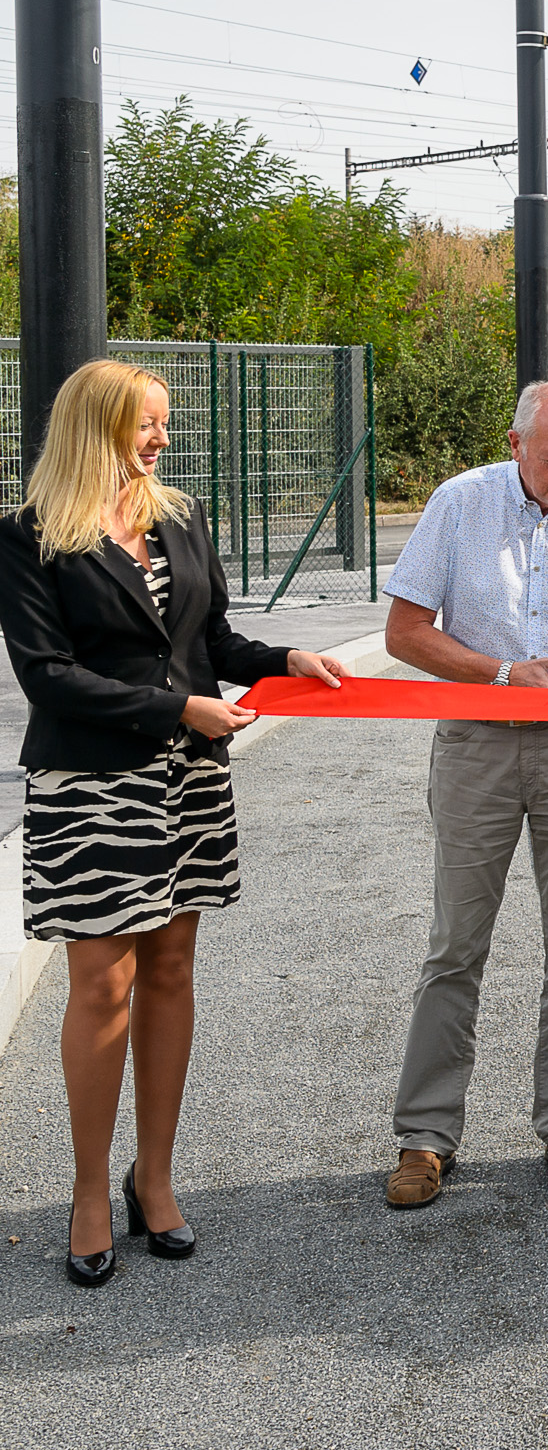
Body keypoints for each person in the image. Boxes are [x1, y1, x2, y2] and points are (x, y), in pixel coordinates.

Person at [0, 360, 348, 1286]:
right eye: (144, 424)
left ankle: (153, 1178)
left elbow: (211, 642)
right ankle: (85, 1194)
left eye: (163, 423)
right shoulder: (29, 536)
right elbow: (48, 676)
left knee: (172, 970)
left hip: (188, 779)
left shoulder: (181, 515)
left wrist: (287, 658)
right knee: (101, 987)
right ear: (95, 428)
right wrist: (177, 710)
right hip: (92, 786)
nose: (160, 439)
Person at [379, 379, 548, 1207]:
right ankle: (425, 1137)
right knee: (456, 945)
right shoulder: (459, 505)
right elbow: (405, 633)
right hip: (477, 745)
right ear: (515, 445)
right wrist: (502, 674)